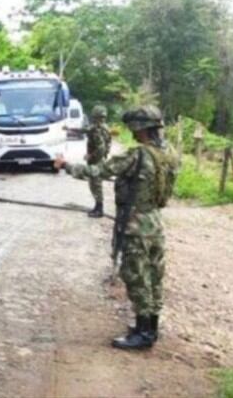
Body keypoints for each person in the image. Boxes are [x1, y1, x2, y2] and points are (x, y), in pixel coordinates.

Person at [54, 106, 178, 350]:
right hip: (154, 222)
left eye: (133, 128)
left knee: (136, 277)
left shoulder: (137, 155)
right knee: (154, 277)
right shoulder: (169, 154)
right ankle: (150, 327)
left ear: (139, 128)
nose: (132, 133)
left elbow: (99, 171)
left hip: (134, 225)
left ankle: (143, 335)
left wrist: (65, 165)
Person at [85, 105, 112, 218]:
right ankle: (97, 206)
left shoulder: (97, 130)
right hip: (101, 159)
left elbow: (100, 147)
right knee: (96, 184)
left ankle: (99, 209)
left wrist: (91, 156)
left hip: (97, 160)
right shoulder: (105, 127)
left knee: (95, 184)